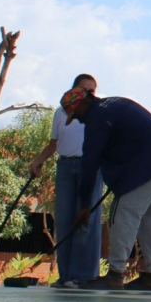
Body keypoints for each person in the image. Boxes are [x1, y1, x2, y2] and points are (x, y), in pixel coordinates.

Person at [61, 88, 151, 291]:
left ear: (83, 104)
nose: (78, 121)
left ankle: (115, 274)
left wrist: (84, 204)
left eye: (76, 115)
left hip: (149, 164)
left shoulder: (96, 117)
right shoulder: (113, 104)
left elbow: (90, 162)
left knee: (123, 215)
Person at [28, 74, 103, 288]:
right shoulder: (61, 113)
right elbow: (54, 143)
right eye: (83, 89)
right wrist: (38, 161)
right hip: (65, 165)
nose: (87, 94)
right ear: (73, 90)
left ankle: (83, 277)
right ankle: (66, 275)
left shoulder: (97, 113)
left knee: (85, 221)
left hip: (90, 167)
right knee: (63, 218)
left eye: (92, 91)